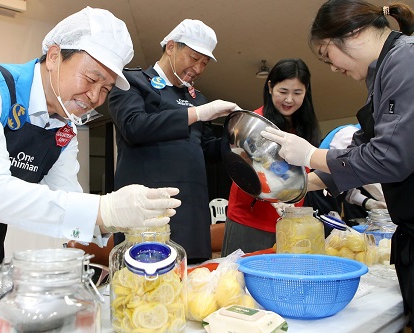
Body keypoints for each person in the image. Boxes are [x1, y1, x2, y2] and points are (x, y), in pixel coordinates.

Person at [0, 7, 182, 316]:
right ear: (54, 56)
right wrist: (103, 207)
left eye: (106, 88)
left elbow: (66, 200)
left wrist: (115, 219)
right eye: (91, 78)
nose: (95, 96)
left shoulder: (63, 128)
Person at [260, 0, 414, 324]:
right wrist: (298, 186)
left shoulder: (405, 60)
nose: (331, 68)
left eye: (326, 55)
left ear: (353, 33)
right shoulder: (383, 74)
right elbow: (361, 150)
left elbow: (389, 158)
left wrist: (309, 155)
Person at [108, 19, 240, 263]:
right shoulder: (132, 82)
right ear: (170, 47)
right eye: (193, 58)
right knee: (143, 283)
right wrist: (197, 114)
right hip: (148, 210)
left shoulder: (197, 98)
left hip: (191, 212)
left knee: (190, 281)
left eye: (204, 63)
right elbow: (134, 127)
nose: (198, 69)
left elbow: (206, 149)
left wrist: (235, 135)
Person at [221, 58, 321, 256]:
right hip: (249, 219)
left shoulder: (306, 127)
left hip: (289, 219)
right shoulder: (254, 124)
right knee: (238, 278)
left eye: (297, 93)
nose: (289, 100)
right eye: (283, 92)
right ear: (270, 87)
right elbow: (246, 166)